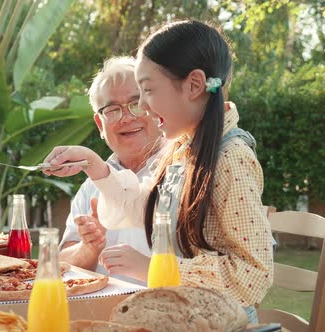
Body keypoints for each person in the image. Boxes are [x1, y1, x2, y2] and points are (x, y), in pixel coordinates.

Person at [43, 20, 273, 323]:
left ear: (193, 85)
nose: (145, 109)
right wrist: (95, 165)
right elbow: (150, 208)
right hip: (180, 318)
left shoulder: (230, 159)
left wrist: (150, 266)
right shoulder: (183, 151)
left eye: (147, 92)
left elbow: (253, 275)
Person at [58, 56, 163, 284]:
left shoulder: (184, 172)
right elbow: (62, 265)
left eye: (136, 104)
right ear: (99, 124)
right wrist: (88, 248)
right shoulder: (92, 186)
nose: (126, 118)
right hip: (99, 315)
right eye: (112, 110)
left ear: (156, 108)